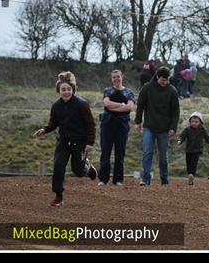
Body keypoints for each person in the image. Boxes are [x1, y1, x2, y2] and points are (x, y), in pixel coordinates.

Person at [33, 71, 97, 207]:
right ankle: (58, 196)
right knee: (58, 167)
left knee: (78, 171)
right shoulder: (56, 106)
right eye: (63, 89)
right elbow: (53, 123)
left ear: (73, 89)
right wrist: (44, 129)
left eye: (69, 89)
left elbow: (90, 124)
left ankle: (88, 167)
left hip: (79, 142)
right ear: (59, 91)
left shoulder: (82, 104)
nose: (66, 92)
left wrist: (90, 143)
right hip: (63, 142)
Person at [134, 66, 180, 186]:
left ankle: (164, 179)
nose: (164, 82)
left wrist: (173, 127)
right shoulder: (147, 88)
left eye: (166, 80)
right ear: (157, 77)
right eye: (162, 79)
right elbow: (140, 105)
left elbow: (175, 111)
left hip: (165, 128)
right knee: (147, 152)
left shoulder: (172, 91)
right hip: (149, 126)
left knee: (163, 156)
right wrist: (138, 121)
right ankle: (146, 178)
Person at [98, 70, 135, 186]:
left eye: (118, 76)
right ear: (111, 79)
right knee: (105, 151)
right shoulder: (107, 90)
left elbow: (129, 107)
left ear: (122, 77)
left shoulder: (129, 92)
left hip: (122, 125)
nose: (116, 79)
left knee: (120, 152)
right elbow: (106, 104)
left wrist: (115, 108)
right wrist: (121, 105)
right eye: (114, 77)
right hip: (107, 124)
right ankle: (103, 179)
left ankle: (118, 179)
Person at [178, 111, 209, 185]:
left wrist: (208, 141)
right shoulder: (187, 129)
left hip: (197, 150)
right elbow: (182, 135)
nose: (194, 123)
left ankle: (192, 174)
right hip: (188, 150)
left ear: (200, 122)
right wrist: (180, 140)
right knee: (188, 163)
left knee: (194, 162)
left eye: (196, 122)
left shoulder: (202, 130)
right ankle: (190, 175)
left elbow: (207, 137)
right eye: (192, 121)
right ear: (190, 122)